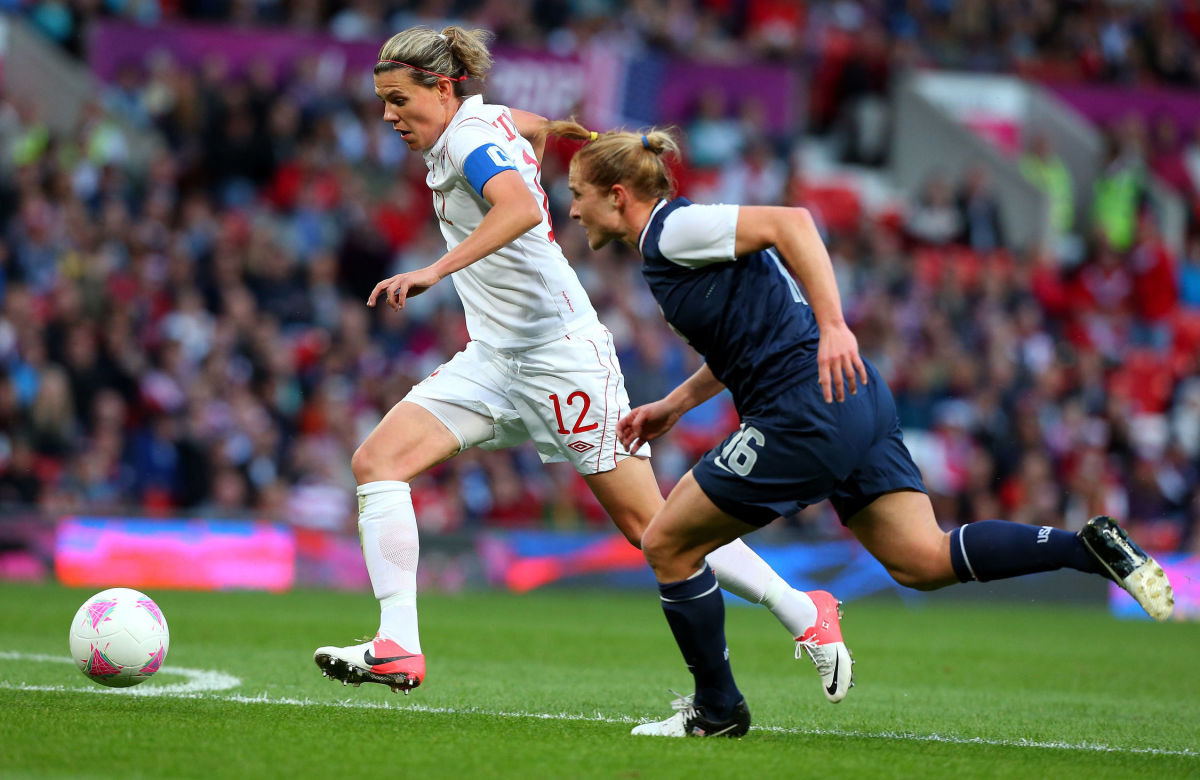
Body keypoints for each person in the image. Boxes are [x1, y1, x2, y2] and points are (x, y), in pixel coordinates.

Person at [550, 122, 1175, 738]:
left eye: (577, 193)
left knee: (665, 544)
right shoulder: (676, 247)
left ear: (617, 194)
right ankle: (1087, 548)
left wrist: (835, 325)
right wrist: (676, 405)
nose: (571, 209)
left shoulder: (674, 229)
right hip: (853, 398)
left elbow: (792, 222)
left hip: (804, 411)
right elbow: (745, 341)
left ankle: (717, 709)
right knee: (922, 560)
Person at [312, 26, 844, 698]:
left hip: (560, 359)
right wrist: (551, 133)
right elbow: (528, 125)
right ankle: (397, 645)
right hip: (496, 357)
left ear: (443, 89)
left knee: (651, 528)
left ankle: (804, 610)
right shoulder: (480, 124)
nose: (388, 115)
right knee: (377, 462)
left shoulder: (472, 140)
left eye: (398, 100)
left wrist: (435, 270)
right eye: (383, 102)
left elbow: (522, 208)